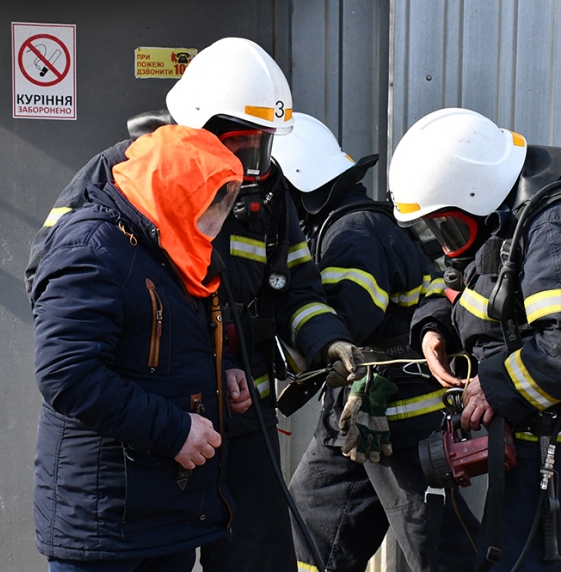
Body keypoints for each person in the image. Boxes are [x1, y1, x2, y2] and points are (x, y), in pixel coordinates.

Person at [24, 37, 360, 572]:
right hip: (154, 418)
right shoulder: (121, 177)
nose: (252, 167)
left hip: (240, 401)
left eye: (263, 147)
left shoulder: (265, 189)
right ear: (197, 127)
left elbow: (298, 286)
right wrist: (147, 376)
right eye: (242, 145)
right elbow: (54, 286)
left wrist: (327, 342)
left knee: (254, 553)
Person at [389, 108, 561, 571]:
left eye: (449, 227)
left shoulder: (558, 227)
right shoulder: (506, 217)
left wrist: (497, 385)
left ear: (479, 193)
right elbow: (467, 280)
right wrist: (435, 326)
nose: (446, 243)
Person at [29, 125, 252, 571]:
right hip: (105, 521)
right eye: (210, 206)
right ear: (176, 194)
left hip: (164, 514)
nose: (215, 225)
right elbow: (68, 375)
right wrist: (173, 431)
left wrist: (222, 367)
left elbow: (166, 338)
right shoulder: (91, 248)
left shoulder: (166, 245)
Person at [272, 113, 481, 572]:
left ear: (298, 189)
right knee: (310, 532)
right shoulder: (352, 225)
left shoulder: (354, 235)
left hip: (397, 423)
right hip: (355, 419)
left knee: (434, 545)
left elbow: (346, 324)